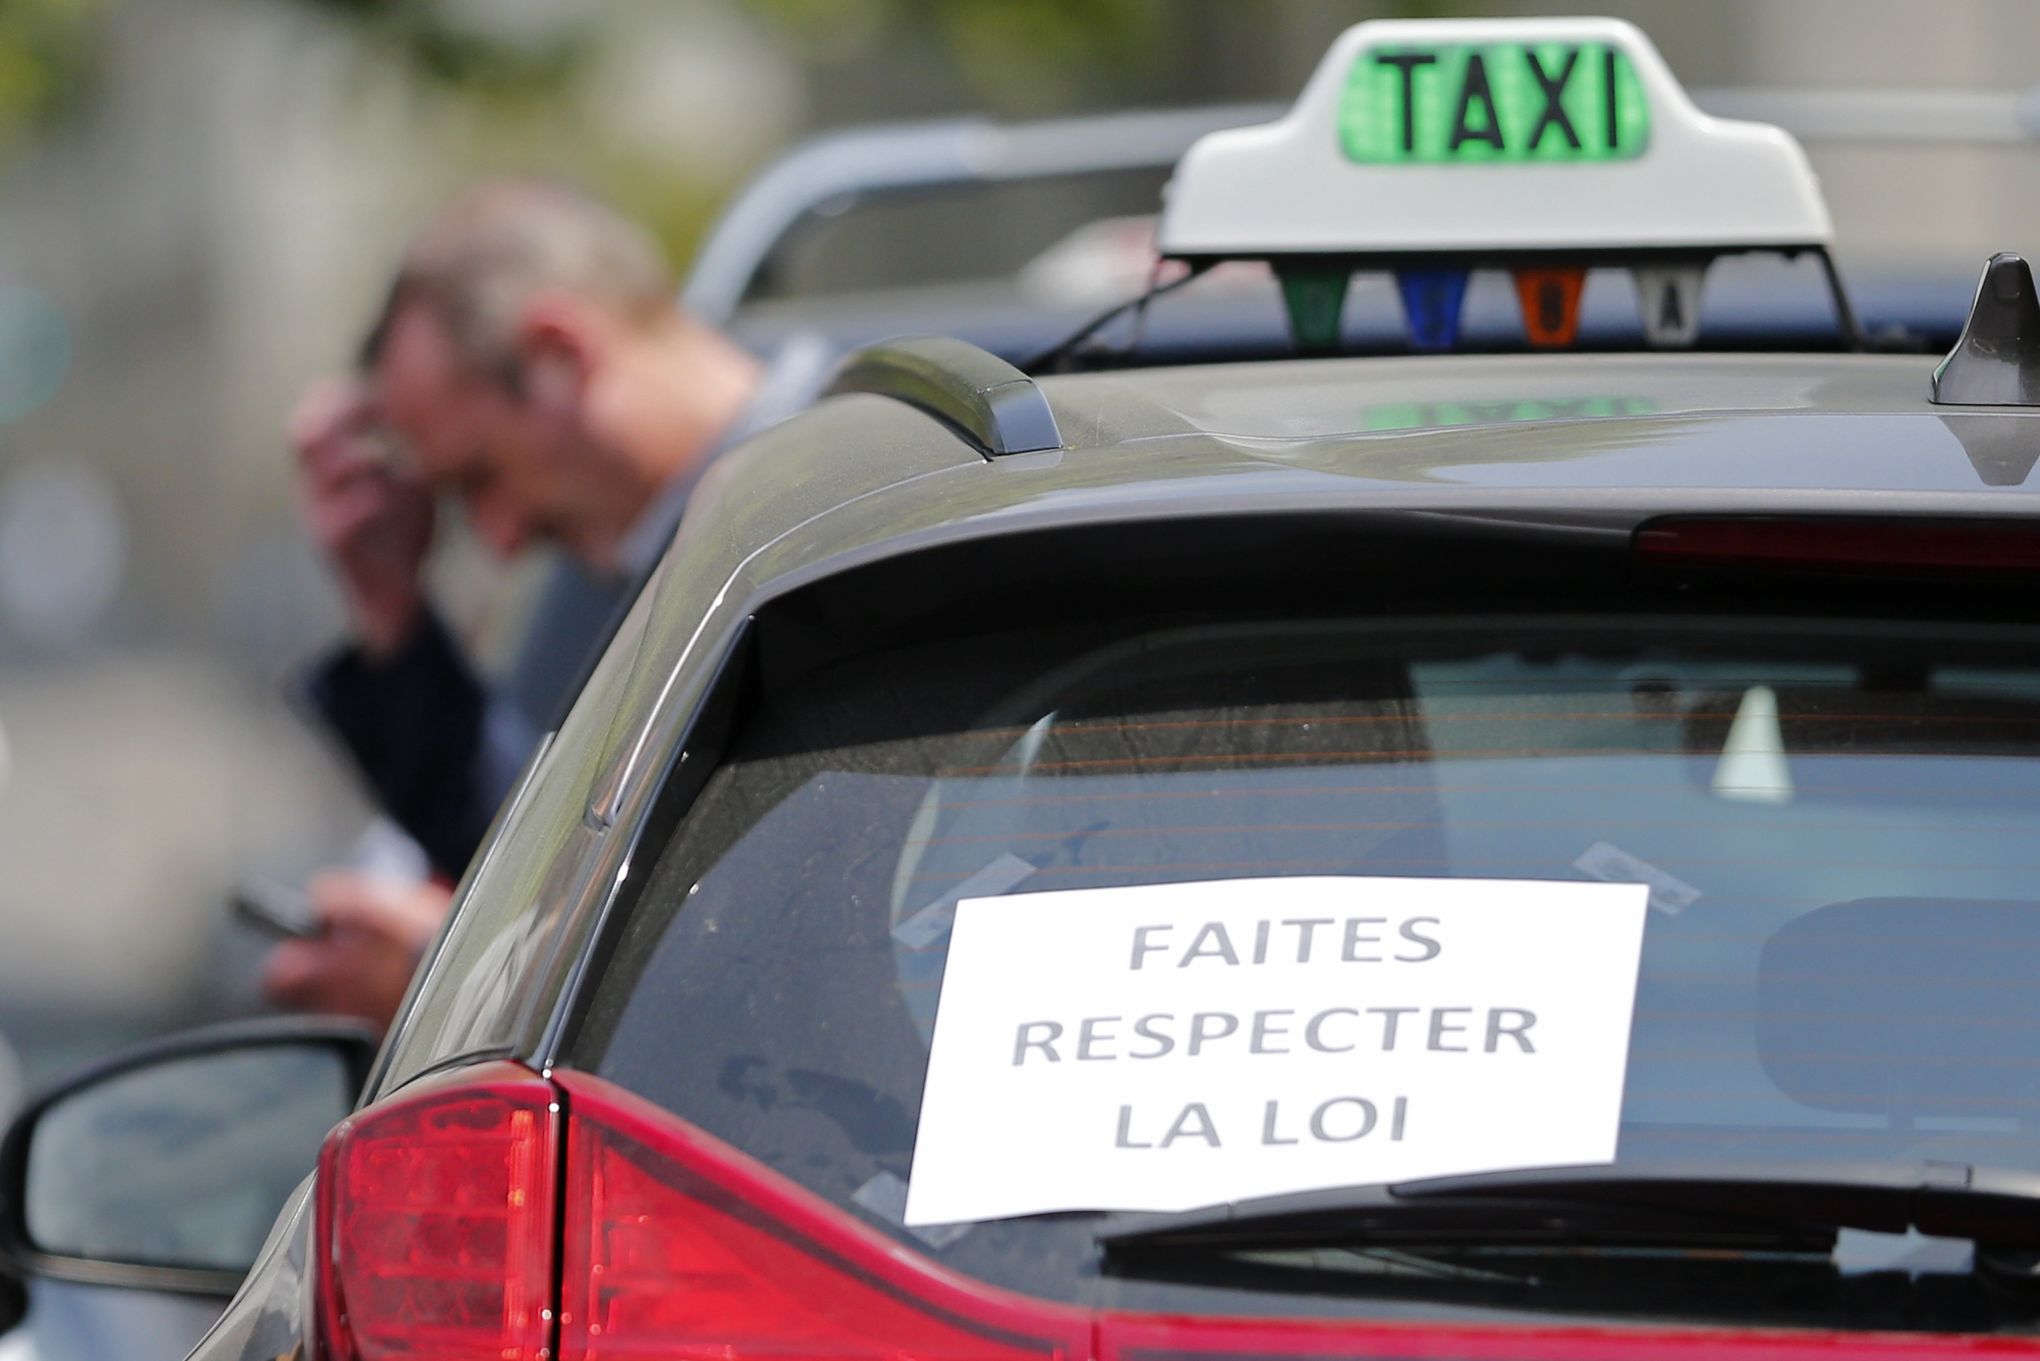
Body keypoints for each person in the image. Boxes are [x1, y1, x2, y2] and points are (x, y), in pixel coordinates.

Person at [263, 179, 826, 1025]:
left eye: (480, 475)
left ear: (559, 354)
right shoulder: (652, 554)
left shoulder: (851, 515)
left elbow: (792, 936)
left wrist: (455, 972)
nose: (497, 538)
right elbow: (544, 851)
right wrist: (392, 613)